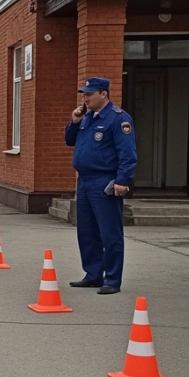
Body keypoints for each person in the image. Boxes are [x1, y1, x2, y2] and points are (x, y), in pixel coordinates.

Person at [64, 77, 137, 295]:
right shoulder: (87, 117)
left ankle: (112, 279)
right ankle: (93, 274)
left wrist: (122, 180)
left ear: (103, 94)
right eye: (84, 94)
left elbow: (127, 153)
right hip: (84, 180)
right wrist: (74, 122)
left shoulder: (118, 119)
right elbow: (69, 140)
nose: (85, 98)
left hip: (104, 181)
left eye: (90, 94)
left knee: (109, 232)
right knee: (87, 231)